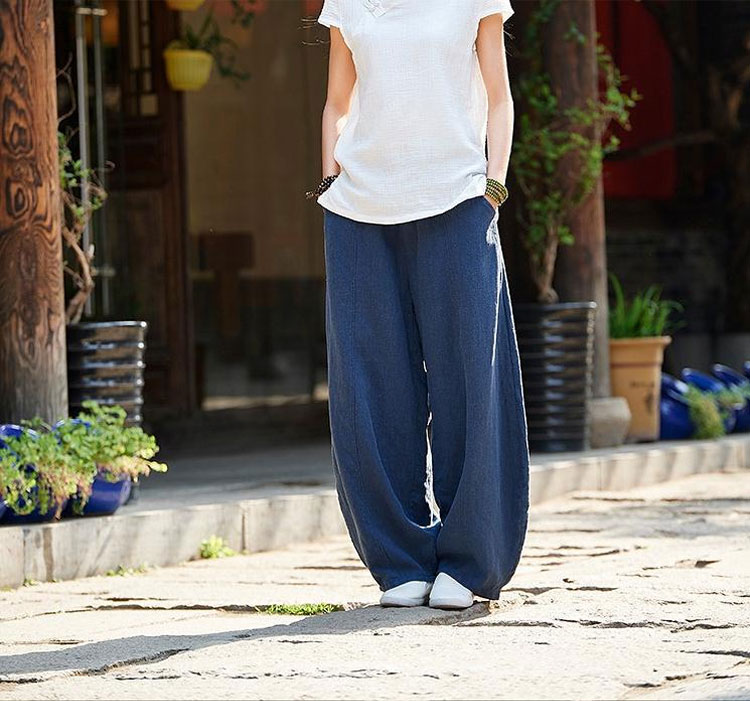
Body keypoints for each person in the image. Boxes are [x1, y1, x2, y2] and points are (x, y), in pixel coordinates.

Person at [308, 0, 529, 610]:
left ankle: (471, 559)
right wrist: (330, 181)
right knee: (369, 388)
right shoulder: (346, 4)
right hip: (357, 212)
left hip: (458, 200)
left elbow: (500, 97)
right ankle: (399, 560)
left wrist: (493, 186)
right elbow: (336, 103)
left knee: (470, 379)